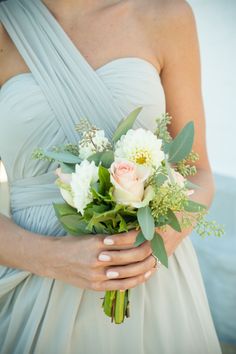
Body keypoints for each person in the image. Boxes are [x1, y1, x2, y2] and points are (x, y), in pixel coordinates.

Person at [0, 0, 222, 353]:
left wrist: (157, 242)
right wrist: (50, 257)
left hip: (153, 283)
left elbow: (199, 174)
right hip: (35, 281)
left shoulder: (164, 15)